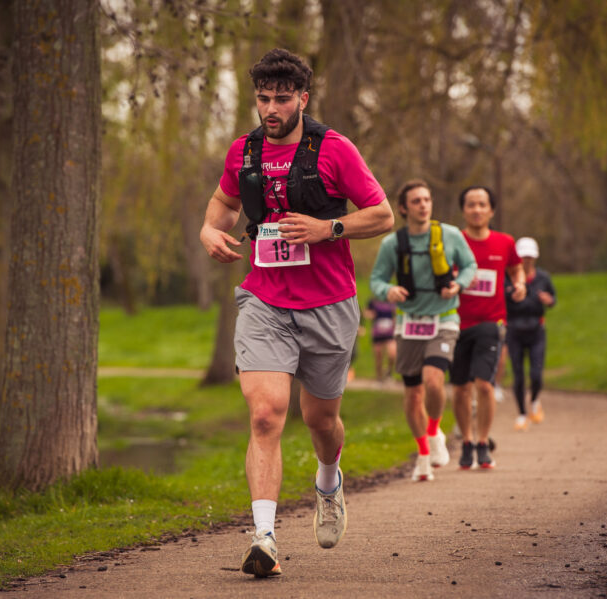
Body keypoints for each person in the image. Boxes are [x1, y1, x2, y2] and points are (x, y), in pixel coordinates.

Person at [199, 48, 394, 578]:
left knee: (321, 420)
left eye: (282, 99)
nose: (271, 109)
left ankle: (328, 482)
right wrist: (208, 229)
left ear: (303, 98)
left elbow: (382, 214)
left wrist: (326, 228)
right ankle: (263, 537)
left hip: (329, 304)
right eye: (263, 98)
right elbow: (223, 203)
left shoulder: (334, 150)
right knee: (265, 414)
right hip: (264, 299)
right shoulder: (244, 151)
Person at [370, 180, 477, 482]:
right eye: (416, 201)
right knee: (413, 392)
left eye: (427, 199)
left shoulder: (450, 235)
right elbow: (377, 280)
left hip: (443, 319)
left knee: (433, 380)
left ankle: (434, 432)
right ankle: (423, 454)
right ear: (403, 208)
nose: (423, 205)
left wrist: (459, 284)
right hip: (409, 322)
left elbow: (470, 266)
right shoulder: (392, 244)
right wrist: (388, 291)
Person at [451, 186, 525, 469]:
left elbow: (516, 267)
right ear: (464, 210)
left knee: (484, 385)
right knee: (460, 389)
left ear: (491, 210)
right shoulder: (454, 241)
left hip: (491, 322)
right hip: (456, 322)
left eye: (482, 204)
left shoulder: (505, 242)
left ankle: (483, 442)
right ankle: (466, 442)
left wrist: (518, 285)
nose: (477, 210)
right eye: (471, 205)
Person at [505, 237, 556, 431]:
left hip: (536, 331)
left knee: (536, 373)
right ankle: (521, 414)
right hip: (514, 330)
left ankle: (534, 400)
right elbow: (500, 298)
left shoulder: (543, 278)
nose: (526, 261)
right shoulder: (507, 277)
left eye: (530, 257)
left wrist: (548, 300)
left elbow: (553, 299)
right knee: (518, 375)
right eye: (523, 257)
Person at [363, 297, 397, 382]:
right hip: (377, 331)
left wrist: (396, 319)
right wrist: (370, 314)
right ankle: (379, 376)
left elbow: (397, 313)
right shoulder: (373, 300)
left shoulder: (392, 299)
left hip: (390, 332)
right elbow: (366, 312)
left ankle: (389, 373)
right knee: (378, 355)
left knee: (392, 353)